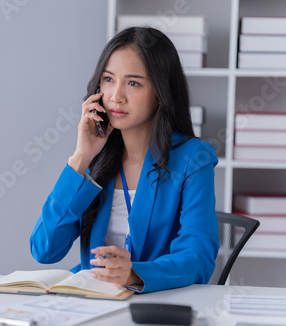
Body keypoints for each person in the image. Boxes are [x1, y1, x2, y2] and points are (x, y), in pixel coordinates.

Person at [30, 27, 220, 293]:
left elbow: (197, 258)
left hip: (154, 305)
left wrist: (133, 274)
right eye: (108, 79)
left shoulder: (193, 158)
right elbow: (45, 249)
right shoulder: (97, 157)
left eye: (133, 83)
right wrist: (81, 157)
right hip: (90, 302)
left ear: (160, 92)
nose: (116, 96)